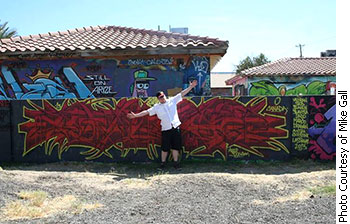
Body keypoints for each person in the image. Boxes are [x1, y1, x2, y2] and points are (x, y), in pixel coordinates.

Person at [127, 80, 198, 170]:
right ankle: (163, 164)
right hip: (166, 129)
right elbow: (146, 112)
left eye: (163, 96)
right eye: (160, 97)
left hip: (175, 127)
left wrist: (191, 87)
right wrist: (135, 115)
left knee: (176, 147)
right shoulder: (156, 107)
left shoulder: (172, 100)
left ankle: (176, 163)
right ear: (158, 98)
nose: (162, 98)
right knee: (165, 148)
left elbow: (182, 94)